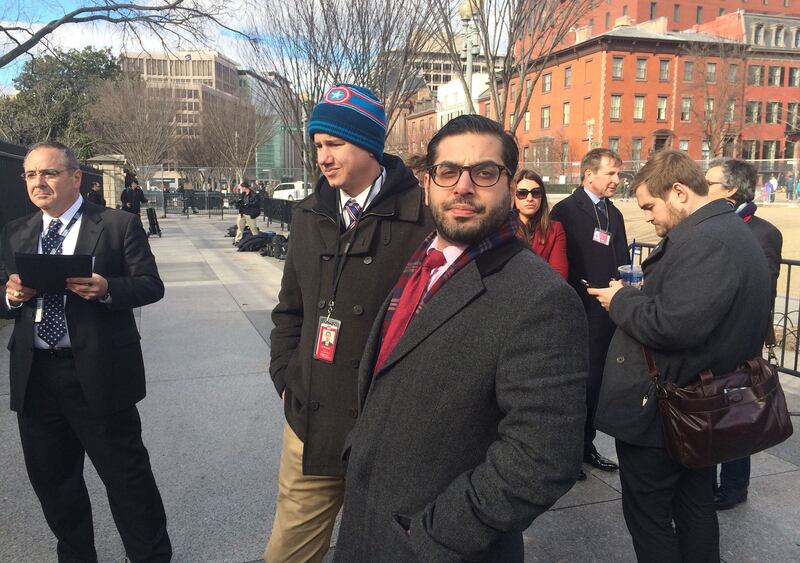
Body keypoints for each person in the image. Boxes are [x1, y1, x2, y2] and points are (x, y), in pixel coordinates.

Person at [333, 114, 588, 562]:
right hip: (367, 524)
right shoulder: (423, 261)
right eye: (448, 172)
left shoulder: (541, 296)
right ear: (427, 183)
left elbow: (543, 456)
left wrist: (437, 533)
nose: (463, 186)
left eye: (484, 172)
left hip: (438, 545)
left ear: (510, 186)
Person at [265, 83, 433, 563]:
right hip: (310, 419)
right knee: (287, 552)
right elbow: (289, 310)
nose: (323, 156)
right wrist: (285, 377)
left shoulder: (425, 220)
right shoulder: (306, 215)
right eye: (317, 145)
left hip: (389, 427)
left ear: (370, 145)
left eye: (334, 144)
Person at [588, 149, 771, 563]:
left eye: (651, 206)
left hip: (668, 414)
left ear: (679, 191)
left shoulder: (710, 241)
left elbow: (673, 325)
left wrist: (620, 301)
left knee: (651, 516)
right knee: (694, 507)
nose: (649, 217)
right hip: (695, 410)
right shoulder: (722, 231)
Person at [1, 142, 171, 562]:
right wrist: (11, 297)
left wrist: (108, 288)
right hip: (37, 379)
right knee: (55, 485)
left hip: (98, 374)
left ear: (76, 178)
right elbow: (2, 292)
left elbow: (151, 284)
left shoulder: (117, 225)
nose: (39, 183)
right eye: (31, 175)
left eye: (50, 173)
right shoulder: (17, 232)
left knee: (128, 482)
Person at [705, 158, 783, 510]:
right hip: (707, 339)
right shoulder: (707, 225)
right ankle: (702, 479)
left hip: (740, 343)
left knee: (737, 416)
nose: (701, 187)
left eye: (709, 182)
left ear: (731, 189)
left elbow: (762, 292)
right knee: (706, 412)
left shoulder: (764, 232)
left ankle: (734, 486)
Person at [551, 148, 629, 479]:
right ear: (589, 175)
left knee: (596, 382)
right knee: (574, 385)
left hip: (607, 311)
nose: (616, 180)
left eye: (618, 174)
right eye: (610, 173)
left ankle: (586, 446)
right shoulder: (565, 210)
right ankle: (565, 452)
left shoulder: (614, 213)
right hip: (577, 308)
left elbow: (621, 254)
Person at [512, 169, 568, 279]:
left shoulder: (555, 230)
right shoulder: (502, 228)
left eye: (536, 192)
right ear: (513, 195)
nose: (530, 198)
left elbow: (560, 276)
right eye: (522, 193)